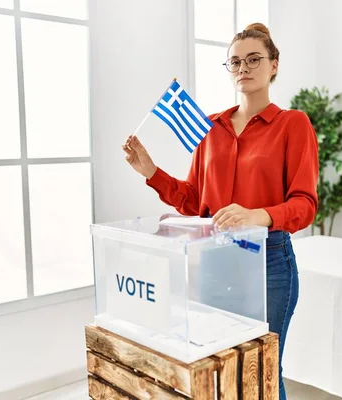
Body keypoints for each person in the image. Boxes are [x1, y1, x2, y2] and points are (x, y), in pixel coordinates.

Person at [122, 22, 319, 400]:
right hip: (213, 260)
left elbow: (304, 204)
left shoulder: (293, 124)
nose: (243, 68)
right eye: (234, 62)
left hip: (269, 264)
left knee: (262, 369)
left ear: (274, 65)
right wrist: (151, 171)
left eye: (253, 59)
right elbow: (196, 202)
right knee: (219, 366)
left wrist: (257, 214)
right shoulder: (211, 127)